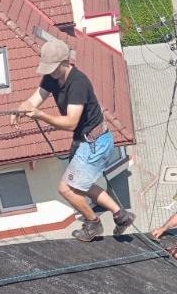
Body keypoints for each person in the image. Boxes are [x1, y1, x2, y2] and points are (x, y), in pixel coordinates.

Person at [12, 39, 135, 242]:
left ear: (65, 62)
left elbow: (70, 123)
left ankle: (93, 224)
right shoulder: (52, 77)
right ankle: (121, 216)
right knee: (80, 184)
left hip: (95, 142)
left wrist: (40, 115)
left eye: (53, 68)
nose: (50, 72)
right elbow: (34, 99)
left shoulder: (78, 84)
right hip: (87, 140)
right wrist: (21, 108)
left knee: (66, 188)